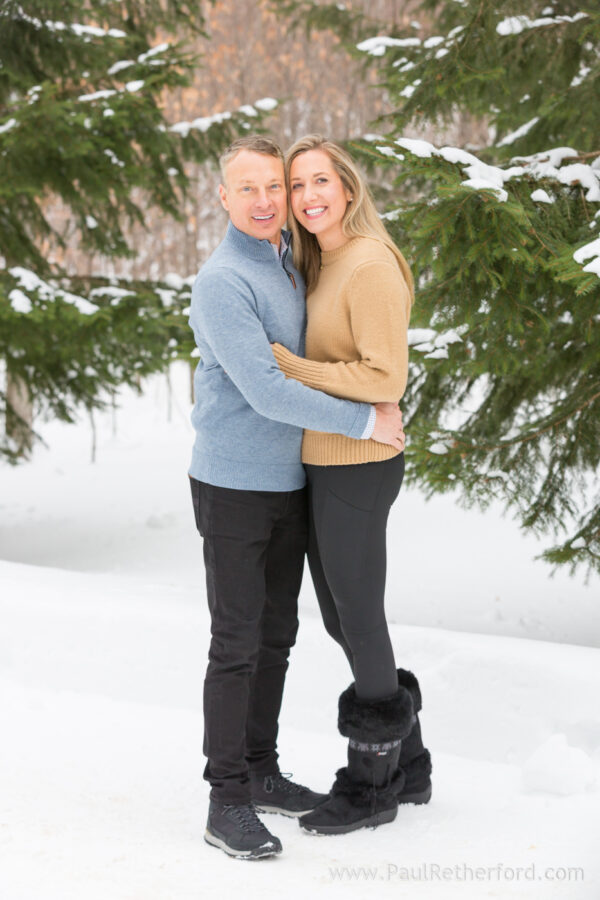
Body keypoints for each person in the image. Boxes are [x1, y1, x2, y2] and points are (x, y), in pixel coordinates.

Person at [187, 135, 405, 859]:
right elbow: (267, 389)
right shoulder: (224, 281)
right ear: (223, 197)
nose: (265, 201)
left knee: (277, 637)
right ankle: (226, 799)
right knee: (236, 643)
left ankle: (260, 770)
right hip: (234, 485)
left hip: (290, 481)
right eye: (247, 189)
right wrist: (366, 423)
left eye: (274, 187)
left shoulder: (288, 260)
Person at [270, 134, 432, 835]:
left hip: (359, 465)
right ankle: (410, 764)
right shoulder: (320, 260)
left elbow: (384, 376)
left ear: (348, 187)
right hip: (327, 460)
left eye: (320, 181)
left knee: (358, 618)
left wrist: (288, 367)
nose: (309, 196)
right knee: (344, 618)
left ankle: (373, 788)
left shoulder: (368, 263)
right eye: (297, 184)